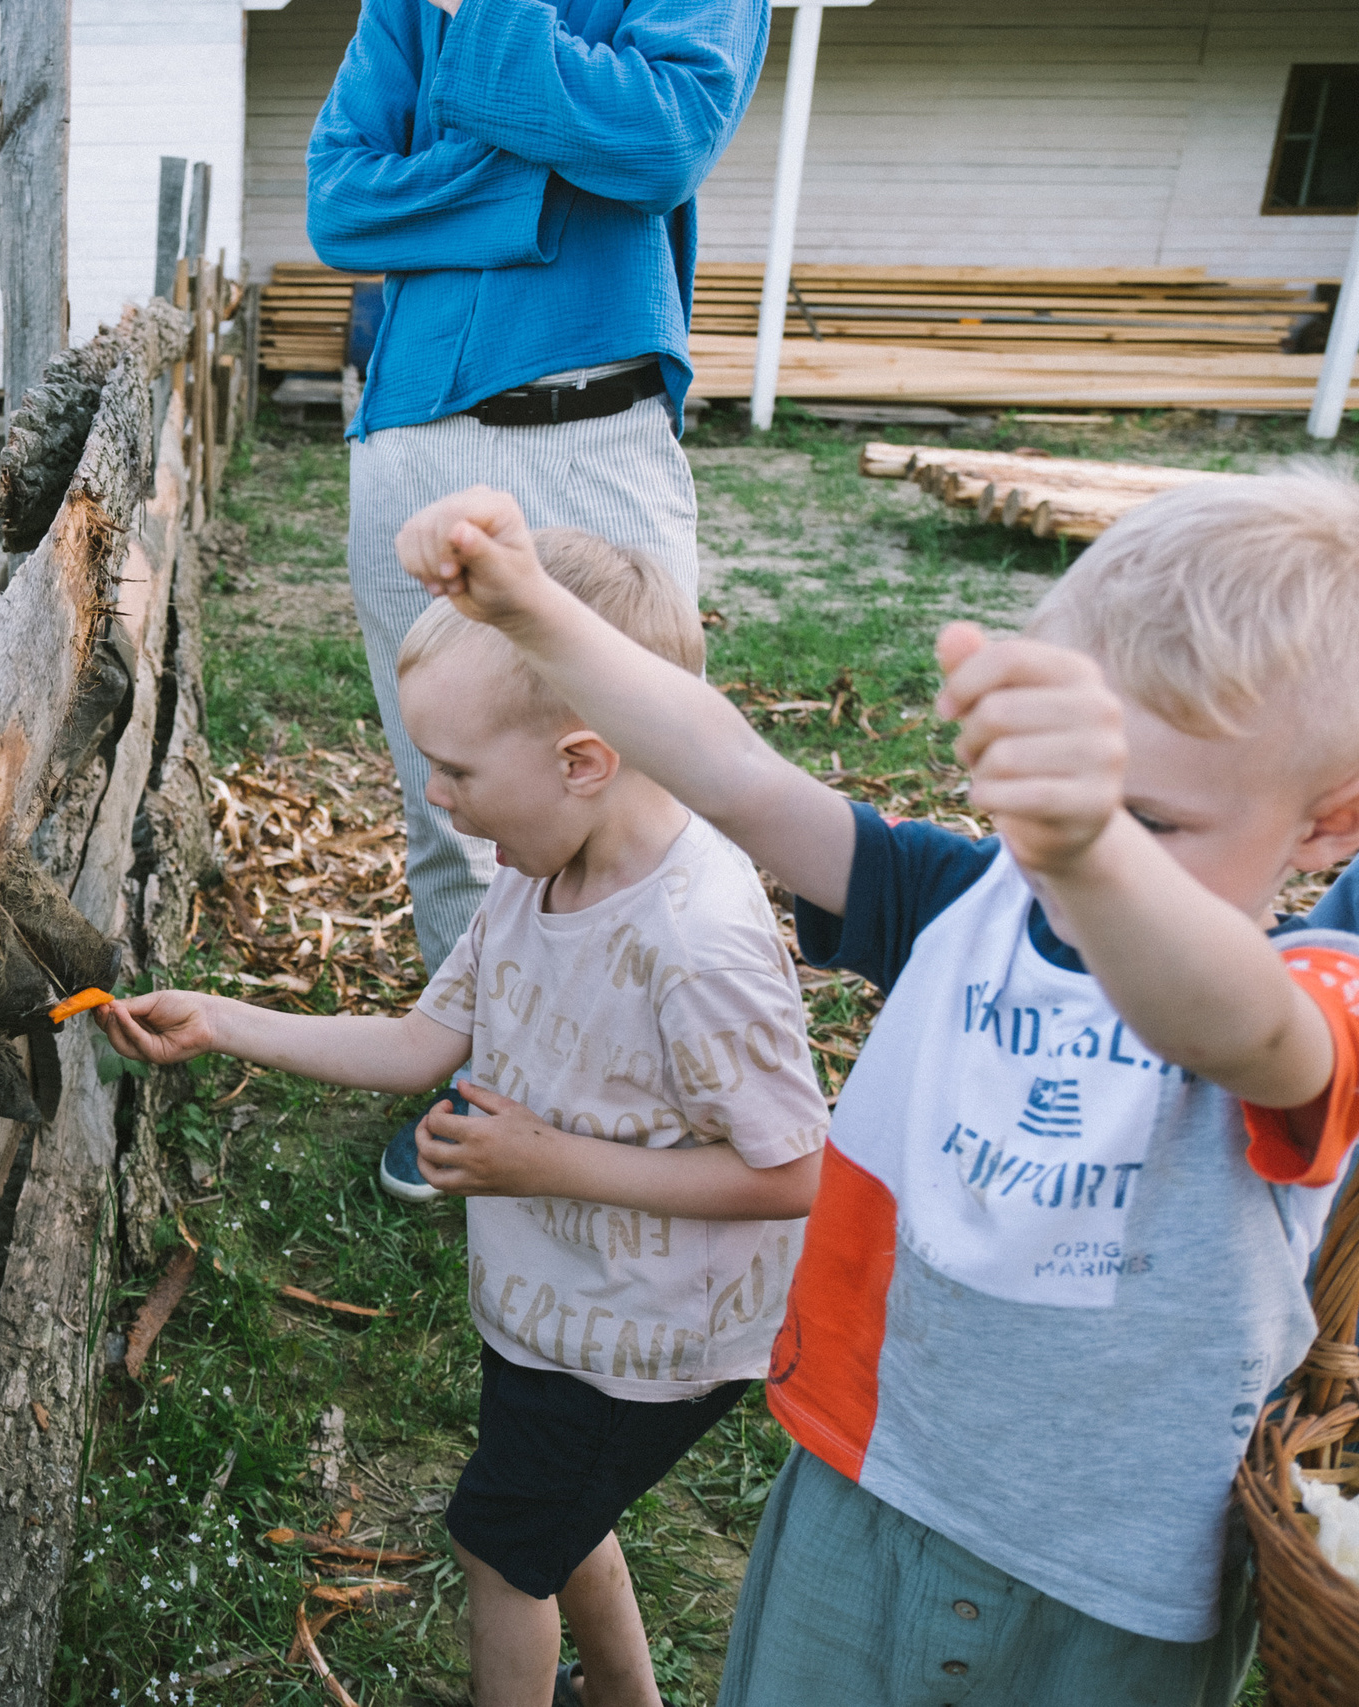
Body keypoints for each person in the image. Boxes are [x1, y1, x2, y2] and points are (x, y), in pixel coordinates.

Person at [394, 471, 1359, 1705]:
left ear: (1327, 829)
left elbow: (1235, 1030)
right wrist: (529, 609)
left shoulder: (1306, 1000)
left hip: (1116, 1574)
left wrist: (1083, 847)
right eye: (1046, 795)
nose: (1059, 843)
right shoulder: (972, 905)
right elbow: (734, 772)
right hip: (866, 1474)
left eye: (1147, 821)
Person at [96, 530, 828, 1707]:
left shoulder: (696, 946)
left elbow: (793, 1173)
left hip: (647, 1347)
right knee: (548, 1518)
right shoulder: (538, 880)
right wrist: (225, 1022)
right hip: (555, 1312)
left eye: (457, 771)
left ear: (583, 759)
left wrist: (546, 1160)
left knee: (500, 1548)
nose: (432, 795)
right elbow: (420, 1045)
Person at [306, 0, 771, 1199]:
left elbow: (662, 145)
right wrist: (544, 190)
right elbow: (341, 202)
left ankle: (641, 1084)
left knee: (648, 768)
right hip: (412, 435)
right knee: (451, 786)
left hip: (597, 428)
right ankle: (484, 1080)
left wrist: (484, 88)